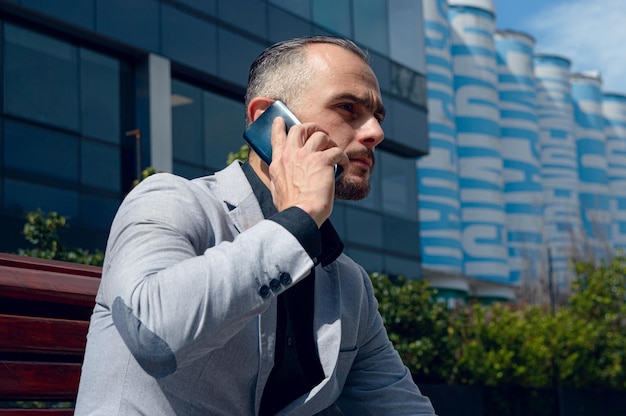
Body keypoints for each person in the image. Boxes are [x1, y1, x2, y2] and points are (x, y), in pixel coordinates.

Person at [75, 36, 437, 416]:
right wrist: (297, 220)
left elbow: (399, 405)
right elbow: (152, 332)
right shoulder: (170, 201)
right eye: (347, 107)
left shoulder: (350, 284)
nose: (375, 133)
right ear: (270, 119)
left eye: (377, 117)